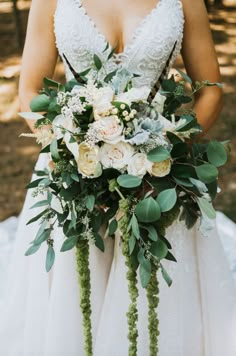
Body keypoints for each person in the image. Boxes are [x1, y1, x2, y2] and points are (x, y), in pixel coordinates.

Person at [0, 0, 236, 355]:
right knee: (78, 301)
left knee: (159, 303)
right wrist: (72, 145)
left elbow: (210, 89)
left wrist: (165, 149)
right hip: (74, 173)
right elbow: (29, 91)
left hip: (160, 177)